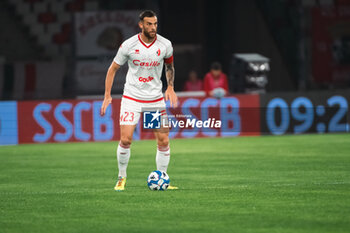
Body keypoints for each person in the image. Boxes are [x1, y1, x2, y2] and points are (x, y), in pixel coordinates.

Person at [100, 10, 178, 191]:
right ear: (141, 25)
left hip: (155, 100)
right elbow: (112, 69)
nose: (153, 27)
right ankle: (121, 177)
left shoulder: (165, 44)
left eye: (155, 24)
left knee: (164, 141)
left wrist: (171, 87)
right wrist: (107, 95)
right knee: (126, 140)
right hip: (132, 98)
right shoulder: (128, 45)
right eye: (149, 24)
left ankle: (163, 178)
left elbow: (169, 66)